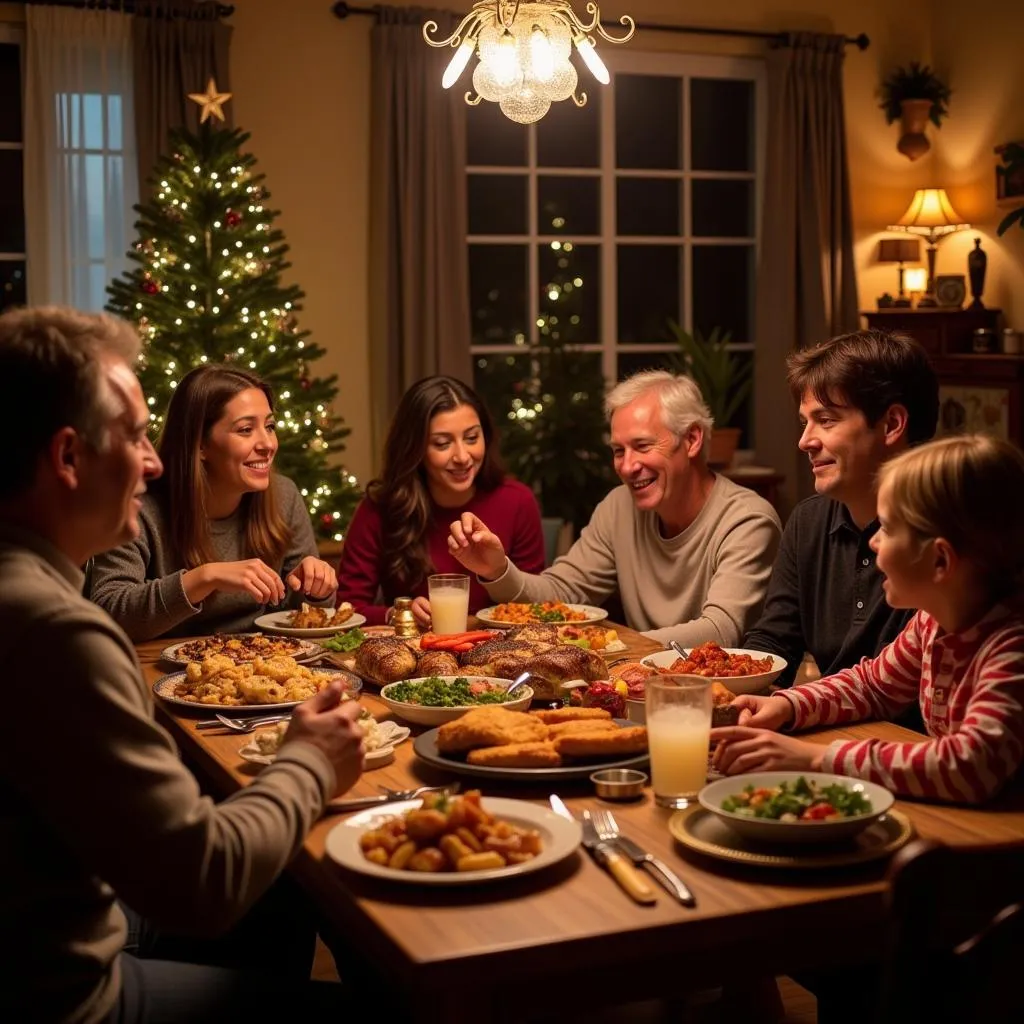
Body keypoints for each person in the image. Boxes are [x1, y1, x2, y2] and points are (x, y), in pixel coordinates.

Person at [0, 306, 365, 1022]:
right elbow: (205, 881)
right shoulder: (54, 629)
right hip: (71, 996)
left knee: (290, 887)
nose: (154, 461)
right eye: (135, 437)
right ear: (69, 458)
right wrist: (310, 760)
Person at [713, 434, 1024, 804]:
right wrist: (787, 705)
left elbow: (970, 766)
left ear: (940, 561)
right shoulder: (931, 623)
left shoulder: (1011, 647)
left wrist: (816, 758)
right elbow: (871, 686)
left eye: (888, 529)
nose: (873, 541)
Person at [448, 370, 782, 645]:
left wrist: (609, 646)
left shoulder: (747, 520)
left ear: (692, 439)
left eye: (642, 446)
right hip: (636, 685)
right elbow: (562, 594)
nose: (626, 466)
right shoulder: (618, 507)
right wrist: (497, 570)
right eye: (618, 450)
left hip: (725, 702)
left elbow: (720, 630)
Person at [743, 329, 940, 688]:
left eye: (827, 420)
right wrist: (731, 691)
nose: (805, 441)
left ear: (892, 424)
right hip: (834, 724)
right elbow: (775, 643)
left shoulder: (945, 530)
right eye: (805, 422)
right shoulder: (808, 521)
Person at [89, 364, 339, 641]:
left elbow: (299, 619)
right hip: (158, 671)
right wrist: (203, 578)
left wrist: (316, 590)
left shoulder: (284, 497)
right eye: (245, 430)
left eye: (269, 426)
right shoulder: (137, 507)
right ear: (199, 445)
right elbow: (108, 612)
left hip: (263, 667)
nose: (267, 443)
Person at [337, 375, 545, 626]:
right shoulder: (381, 508)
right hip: (412, 654)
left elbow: (534, 608)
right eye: (442, 443)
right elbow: (348, 608)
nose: (462, 457)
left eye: (471, 438)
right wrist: (399, 614)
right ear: (415, 449)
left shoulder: (517, 501)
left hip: (499, 653)